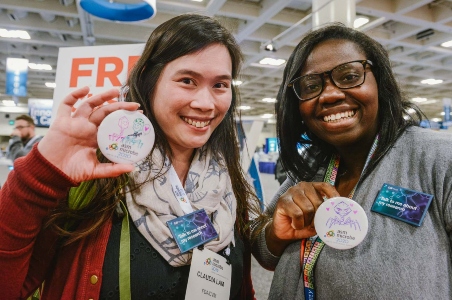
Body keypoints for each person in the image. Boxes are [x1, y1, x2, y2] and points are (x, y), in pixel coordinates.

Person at [0, 14, 261, 299]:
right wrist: (38, 176)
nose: (205, 103)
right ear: (150, 79)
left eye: (220, 85)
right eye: (187, 80)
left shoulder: (226, 182)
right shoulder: (97, 172)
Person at [251, 23, 452, 299]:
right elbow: (263, 250)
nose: (330, 94)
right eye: (311, 85)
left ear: (380, 83)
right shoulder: (311, 165)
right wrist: (276, 231)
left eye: (349, 76)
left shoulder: (438, 159)